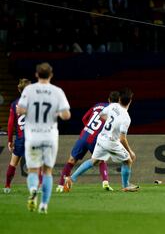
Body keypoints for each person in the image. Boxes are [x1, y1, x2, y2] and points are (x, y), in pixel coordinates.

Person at [17, 62, 71, 214]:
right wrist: (59, 113)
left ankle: (33, 189)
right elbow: (66, 115)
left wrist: (28, 111)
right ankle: (43, 206)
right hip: (49, 137)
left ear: (36, 75)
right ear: (51, 75)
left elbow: (19, 110)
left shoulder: (29, 89)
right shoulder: (57, 91)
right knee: (47, 171)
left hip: (33, 135)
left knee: (33, 170)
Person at [64, 88, 138, 192]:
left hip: (101, 138)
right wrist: (130, 151)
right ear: (130, 101)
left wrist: (110, 122)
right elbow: (122, 138)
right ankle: (125, 185)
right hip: (111, 142)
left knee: (94, 161)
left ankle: (71, 179)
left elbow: (101, 115)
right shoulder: (126, 117)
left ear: (119, 99)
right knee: (128, 161)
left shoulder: (112, 106)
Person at [56, 91, 120, 193]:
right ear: (119, 101)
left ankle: (60, 185)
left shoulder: (98, 105)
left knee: (71, 160)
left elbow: (84, 118)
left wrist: (89, 129)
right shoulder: (115, 112)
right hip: (96, 138)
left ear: (108, 99)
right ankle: (105, 183)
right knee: (100, 159)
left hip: (84, 135)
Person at [4, 78, 31, 193]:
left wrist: (10, 140)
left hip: (20, 139)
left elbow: (10, 124)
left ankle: (7, 186)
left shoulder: (15, 104)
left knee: (13, 163)